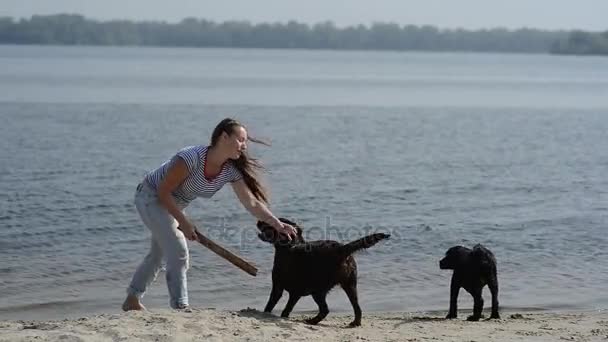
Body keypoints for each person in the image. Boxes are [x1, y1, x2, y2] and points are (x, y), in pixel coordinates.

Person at [122, 118, 298, 311]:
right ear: (224, 137)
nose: (244, 146)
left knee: (159, 254)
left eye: (245, 141)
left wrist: (277, 224)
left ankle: (132, 300)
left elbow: (252, 203)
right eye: (241, 139)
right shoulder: (190, 158)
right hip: (151, 197)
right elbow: (163, 192)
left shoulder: (229, 170)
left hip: (174, 206)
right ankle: (181, 306)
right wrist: (184, 222)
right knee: (178, 250)